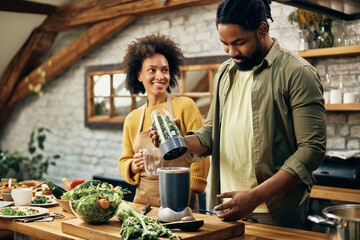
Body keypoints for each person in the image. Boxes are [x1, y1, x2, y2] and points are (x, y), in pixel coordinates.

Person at [150, 0, 326, 229]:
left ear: (262, 30)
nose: (232, 52)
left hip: (274, 210)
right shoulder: (225, 72)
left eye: (239, 42)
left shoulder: (298, 73)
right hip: (226, 206)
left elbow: (312, 150)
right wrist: (181, 141)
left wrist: (254, 197)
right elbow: (212, 131)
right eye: (225, 44)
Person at [118, 34, 210, 209]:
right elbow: (124, 160)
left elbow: (203, 151)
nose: (160, 76)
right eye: (152, 70)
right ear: (139, 75)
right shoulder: (132, 118)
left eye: (165, 70)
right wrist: (132, 166)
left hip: (180, 201)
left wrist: (192, 189)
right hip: (142, 203)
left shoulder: (185, 106)